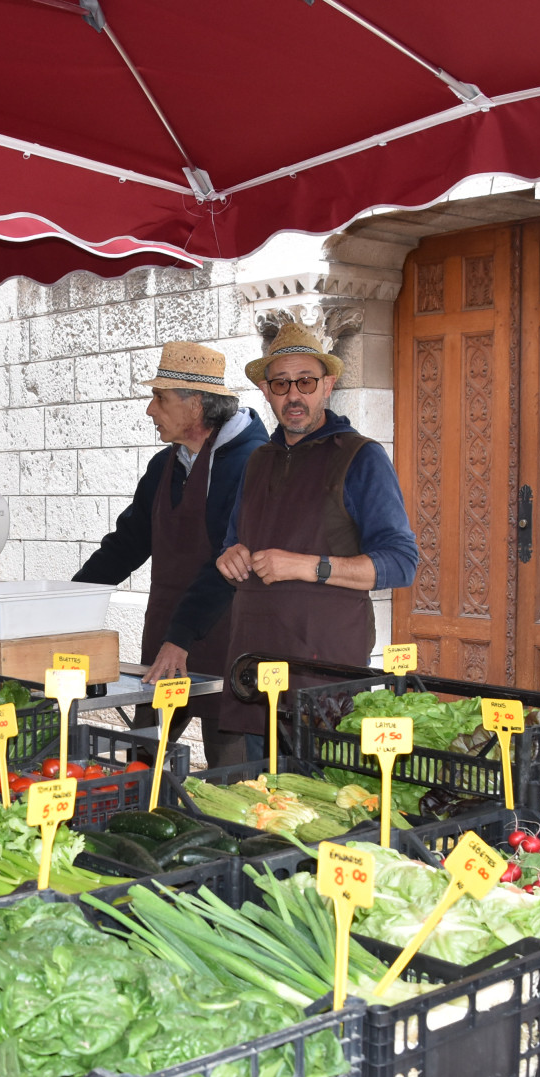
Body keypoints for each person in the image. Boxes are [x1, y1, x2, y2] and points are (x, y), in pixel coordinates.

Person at [215, 322, 418, 742]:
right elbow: (233, 541)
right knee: (258, 802)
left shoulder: (361, 456)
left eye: (306, 381)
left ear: (327, 385)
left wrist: (307, 566)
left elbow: (401, 563)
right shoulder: (258, 461)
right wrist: (229, 554)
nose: (294, 395)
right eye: (281, 384)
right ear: (266, 391)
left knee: (322, 799)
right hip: (254, 666)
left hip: (323, 668)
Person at [73, 341, 268, 766]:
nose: (149, 410)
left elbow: (231, 563)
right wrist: (70, 600)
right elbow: (126, 544)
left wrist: (182, 637)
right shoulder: (165, 465)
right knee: (143, 761)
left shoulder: (252, 462)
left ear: (195, 405)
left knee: (230, 776)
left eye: (159, 398)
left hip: (226, 637)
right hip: (167, 635)